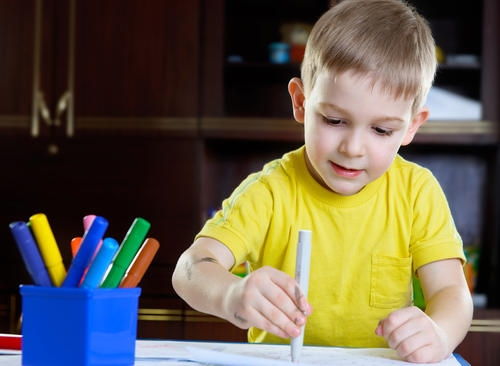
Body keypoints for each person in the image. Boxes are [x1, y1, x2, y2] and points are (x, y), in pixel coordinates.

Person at [172, 0, 473, 362]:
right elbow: (190, 270)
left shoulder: (416, 192)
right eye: (334, 121)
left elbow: (452, 293)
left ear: (411, 126)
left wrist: (439, 333)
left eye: (381, 129)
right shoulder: (269, 192)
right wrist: (230, 296)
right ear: (300, 102)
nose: (353, 148)